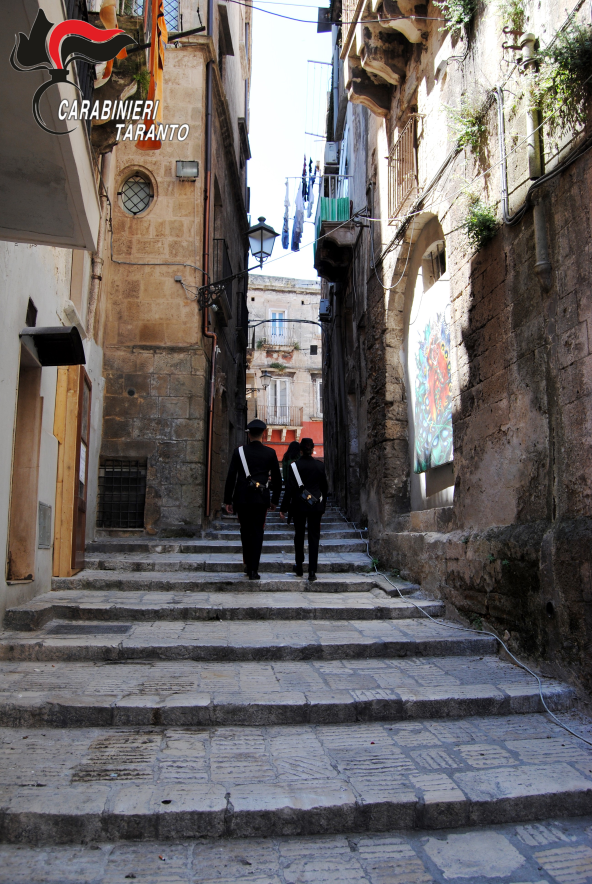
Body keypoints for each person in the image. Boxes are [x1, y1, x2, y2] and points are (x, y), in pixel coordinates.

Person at [223, 419, 282, 580]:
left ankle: (248, 564)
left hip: (242, 498)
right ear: (263, 433)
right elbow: (277, 479)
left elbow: (231, 477)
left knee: (245, 530)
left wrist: (228, 500)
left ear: (249, 435)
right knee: (257, 531)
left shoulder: (239, 452)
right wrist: (274, 501)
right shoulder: (270, 453)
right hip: (260, 499)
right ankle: (254, 569)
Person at [280, 437, 328, 582]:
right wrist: (323, 506)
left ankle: (299, 566)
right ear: (312, 449)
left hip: (299, 506)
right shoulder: (320, 466)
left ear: (301, 450)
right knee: (314, 537)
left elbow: (289, 489)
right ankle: (312, 571)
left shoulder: (294, 466)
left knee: (299, 535)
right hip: (315, 506)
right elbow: (324, 488)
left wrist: (284, 507)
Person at [281, 440, 302, 523]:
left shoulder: (286, 457)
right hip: (300, 483)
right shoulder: (300, 457)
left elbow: (285, 472)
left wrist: (286, 481)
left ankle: (290, 514)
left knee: (290, 498)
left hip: (289, 482)